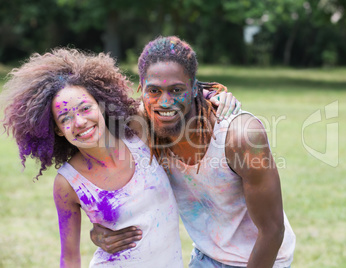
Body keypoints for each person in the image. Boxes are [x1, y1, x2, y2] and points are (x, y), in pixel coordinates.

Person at [1, 48, 237, 267]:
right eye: (65, 118)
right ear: (57, 130)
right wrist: (97, 235)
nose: (80, 122)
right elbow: (69, 257)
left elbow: (169, 98)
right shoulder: (68, 183)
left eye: (85, 108)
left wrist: (215, 94)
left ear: (100, 105)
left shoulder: (139, 134)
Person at [91, 36, 296, 268]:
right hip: (204, 258)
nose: (165, 102)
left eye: (177, 90)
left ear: (194, 86)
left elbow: (272, 231)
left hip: (262, 260)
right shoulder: (141, 125)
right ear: (141, 88)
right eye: (154, 90)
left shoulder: (240, 136)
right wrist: (99, 232)